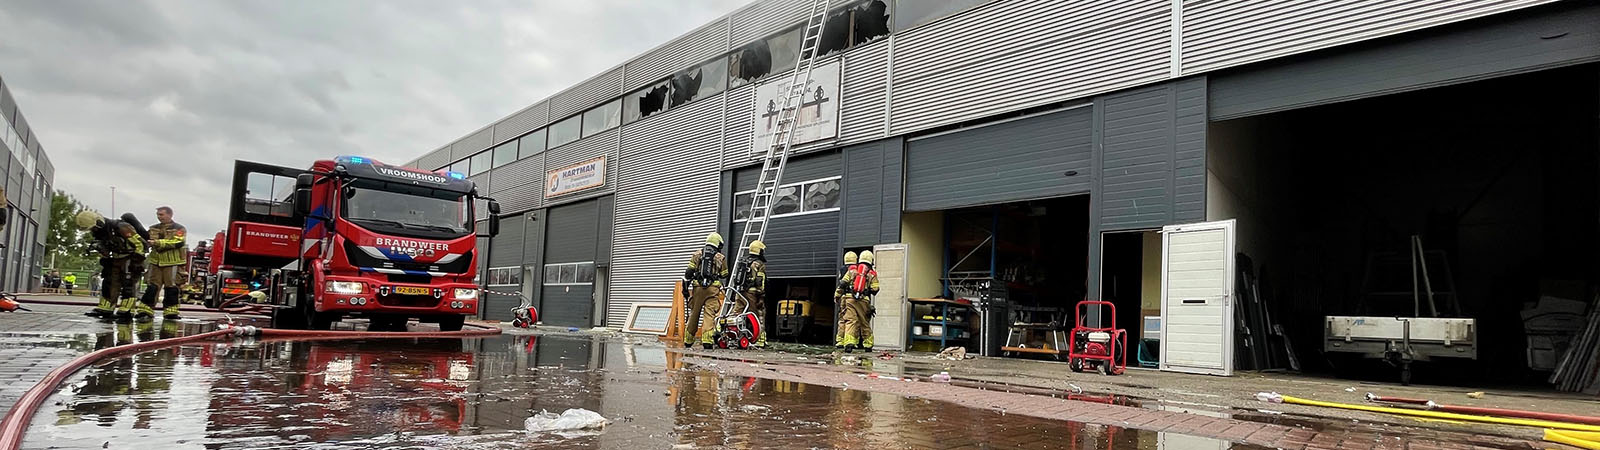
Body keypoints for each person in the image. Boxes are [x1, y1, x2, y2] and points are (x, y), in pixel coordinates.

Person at [140, 206, 188, 320]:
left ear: (170, 215)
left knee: (171, 287)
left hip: (172, 262)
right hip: (155, 262)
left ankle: (171, 312)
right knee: (152, 287)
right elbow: (145, 240)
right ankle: (145, 310)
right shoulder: (153, 228)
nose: (159, 217)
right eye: (158, 215)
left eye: (161, 214)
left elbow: (178, 242)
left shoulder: (179, 228)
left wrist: (157, 243)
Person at [682, 232, 728, 349]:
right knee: (709, 314)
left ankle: (688, 339)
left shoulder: (697, 254)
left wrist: (685, 288)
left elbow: (688, 272)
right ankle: (707, 340)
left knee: (694, 313)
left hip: (698, 288)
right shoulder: (720, 257)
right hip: (712, 289)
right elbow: (724, 274)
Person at [837, 250, 879, 353]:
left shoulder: (852, 269)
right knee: (864, 322)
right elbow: (875, 289)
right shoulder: (872, 273)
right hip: (864, 301)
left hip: (850, 299)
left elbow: (843, 283)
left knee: (851, 320)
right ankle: (868, 344)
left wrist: (837, 295)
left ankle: (849, 343)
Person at [732, 240, 768, 348]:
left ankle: (734, 335)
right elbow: (760, 281)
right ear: (759, 251)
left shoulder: (743, 261)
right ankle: (760, 340)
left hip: (740, 292)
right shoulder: (759, 264)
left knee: (737, 314)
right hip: (752, 293)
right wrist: (761, 296)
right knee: (757, 315)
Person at [833, 251, 859, 350]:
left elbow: (841, 283)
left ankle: (840, 341)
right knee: (852, 320)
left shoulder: (842, 269)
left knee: (842, 319)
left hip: (843, 297)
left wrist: (837, 295)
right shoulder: (856, 269)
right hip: (852, 298)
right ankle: (851, 341)